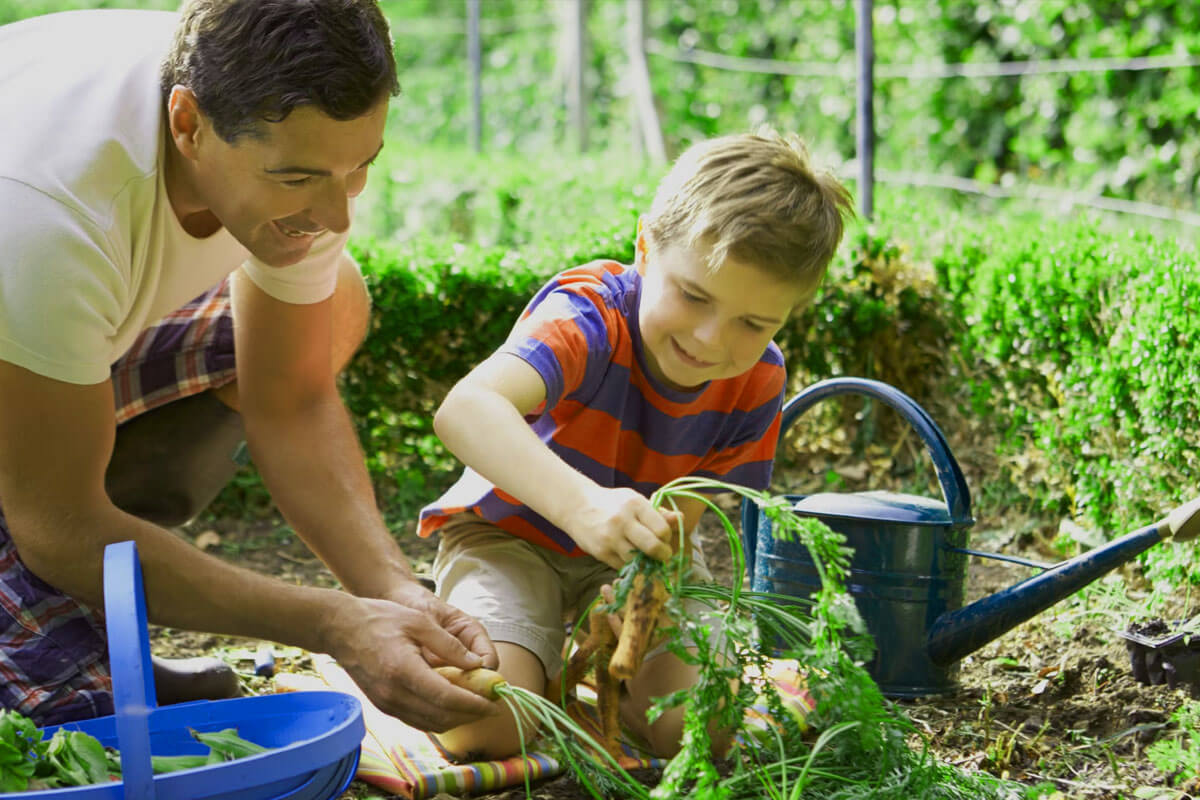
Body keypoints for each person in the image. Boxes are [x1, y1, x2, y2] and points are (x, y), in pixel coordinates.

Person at [0, 0, 498, 730]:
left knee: (335, 303)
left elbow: (290, 399)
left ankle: (85, 601)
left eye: (359, 167)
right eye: (298, 178)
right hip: (24, 300)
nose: (338, 215)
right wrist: (334, 625)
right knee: (68, 729)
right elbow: (60, 521)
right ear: (187, 125)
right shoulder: (47, 212)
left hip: (31, 341)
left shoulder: (288, 136)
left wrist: (393, 593)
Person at [418, 130, 854, 759]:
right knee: (484, 726)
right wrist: (581, 507)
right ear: (645, 248)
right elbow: (464, 410)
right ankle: (521, 658)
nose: (709, 339)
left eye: (753, 323)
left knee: (698, 729)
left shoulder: (758, 382)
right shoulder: (588, 317)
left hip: (635, 560)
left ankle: (583, 674)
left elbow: (682, 522)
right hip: (510, 535)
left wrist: (640, 588)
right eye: (694, 295)